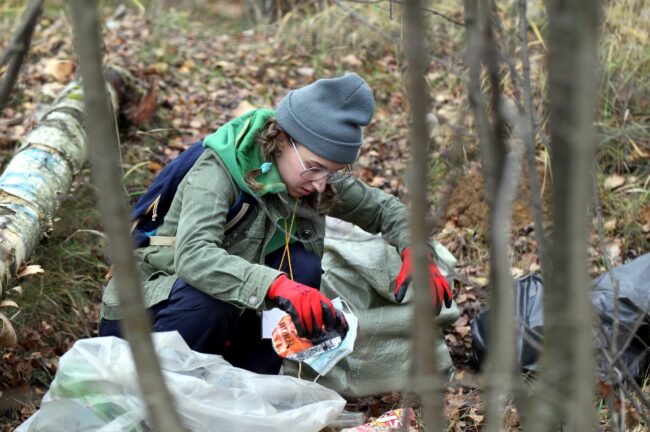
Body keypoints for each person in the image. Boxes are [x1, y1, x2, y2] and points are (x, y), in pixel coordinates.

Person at [98, 73, 453, 375]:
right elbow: (194, 257)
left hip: (230, 315)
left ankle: (251, 382)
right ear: (281, 139)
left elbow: (384, 209)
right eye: (314, 168)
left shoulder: (314, 177)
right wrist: (278, 287)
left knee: (303, 266)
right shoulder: (216, 172)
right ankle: (163, 395)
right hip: (149, 311)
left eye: (332, 173)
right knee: (211, 299)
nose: (320, 184)